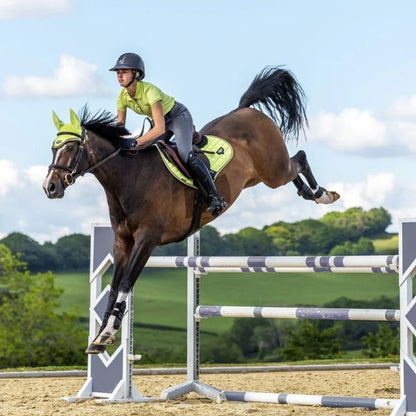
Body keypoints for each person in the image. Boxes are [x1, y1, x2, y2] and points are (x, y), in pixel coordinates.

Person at [109, 52, 226, 216]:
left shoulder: (150, 91)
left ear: (136, 74)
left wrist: (136, 141)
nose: (119, 76)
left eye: (124, 72)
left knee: (186, 155)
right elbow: (119, 126)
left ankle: (215, 196)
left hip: (178, 118)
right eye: (118, 73)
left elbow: (159, 129)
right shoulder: (122, 97)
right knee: (146, 153)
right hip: (161, 122)